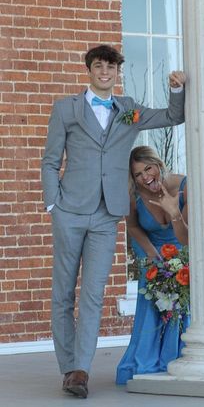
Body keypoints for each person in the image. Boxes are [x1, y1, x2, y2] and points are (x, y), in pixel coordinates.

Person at [41, 44, 186, 398]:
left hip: (108, 215)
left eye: (111, 67)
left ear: (117, 72)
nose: (105, 72)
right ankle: (67, 366)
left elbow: (172, 116)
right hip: (70, 211)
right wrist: (52, 204)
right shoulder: (66, 109)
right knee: (63, 294)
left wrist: (177, 89)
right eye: (99, 66)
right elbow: (49, 160)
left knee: (93, 293)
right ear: (89, 70)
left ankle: (80, 372)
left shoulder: (128, 111)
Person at [116, 145, 189, 385]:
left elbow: (187, 238)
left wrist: (174, 213)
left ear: (158, 164)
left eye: (148, 169)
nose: (145, 177)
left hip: (183, 251)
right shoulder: (134, 195)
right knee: (152, 295)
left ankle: (177, 356)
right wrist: (154, 258)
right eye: (138, 174)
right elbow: (134, 227)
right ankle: (149, 359)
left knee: (181, 299)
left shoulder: (184, 187)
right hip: (152, 251)